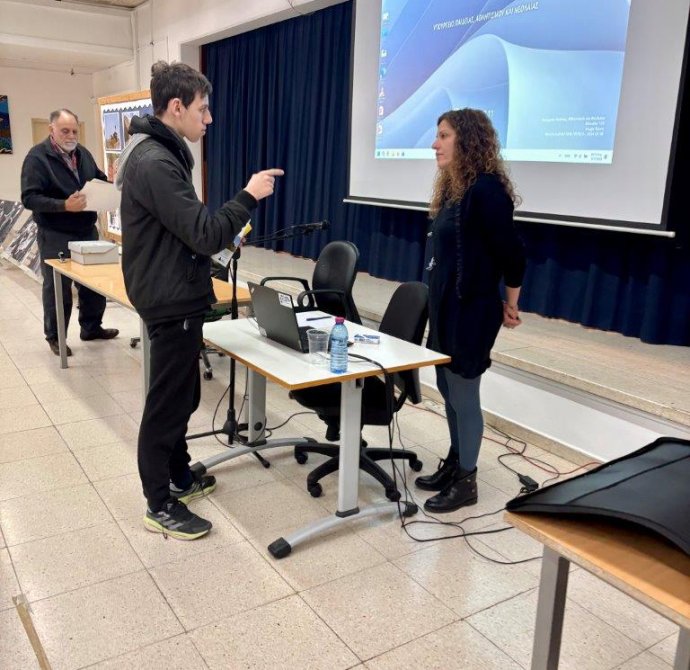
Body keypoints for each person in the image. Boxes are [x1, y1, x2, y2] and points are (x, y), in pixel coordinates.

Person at [116, 61, 283, 541]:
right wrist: (248, 196)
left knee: (185, 395)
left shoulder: (161, 153)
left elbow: (185, 232)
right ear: (176, 107)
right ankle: (158, 502)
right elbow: (205, 233)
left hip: (176, 292)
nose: (208, 119)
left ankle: (179, 475)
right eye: (202, 109)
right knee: (167, 404)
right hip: (168, 298)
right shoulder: (155, 161)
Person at [415, 108, 526, 513]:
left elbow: (513, 254)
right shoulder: (454, 189)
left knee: (464, 393)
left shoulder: (487, 191)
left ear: (468, 140)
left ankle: (467, 481)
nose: (435, 144)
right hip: (447, 307)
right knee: (446, 388)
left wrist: (511, 303)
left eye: (443, 135)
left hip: (473, 312)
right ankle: (455, 461)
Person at [20, 109, 119, 357]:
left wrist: (110, 187)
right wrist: (64, 205)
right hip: (55, 233)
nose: (71, 135)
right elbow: (30, 198)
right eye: (65, 130)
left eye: (75, 130)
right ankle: (56, 337)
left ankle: (91, 327)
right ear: (51, 130)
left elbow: (97, 179)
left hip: (86, 229)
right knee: (58, 289)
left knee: (93, 283)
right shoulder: (37, 158)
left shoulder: (83, 154)